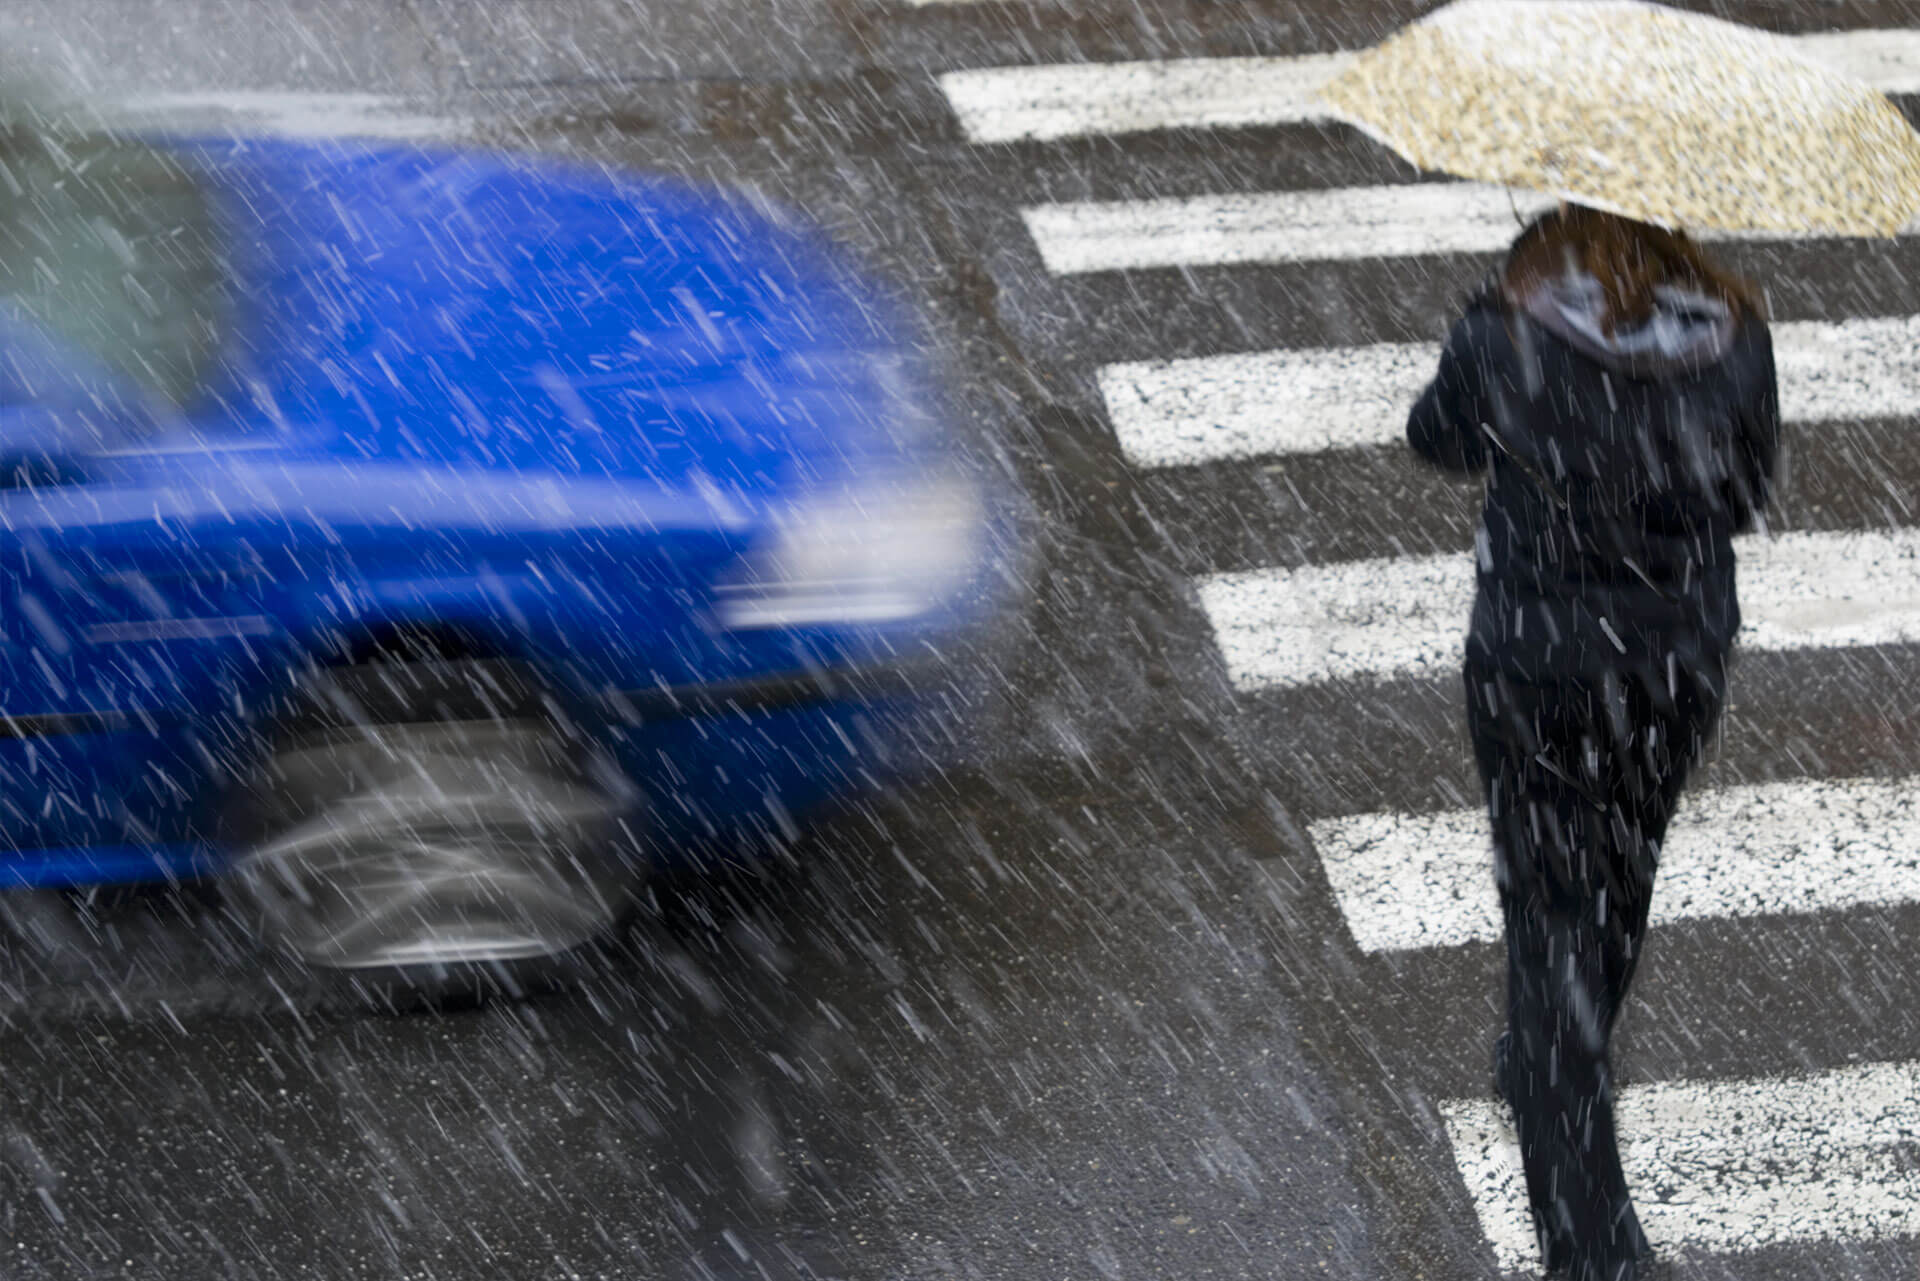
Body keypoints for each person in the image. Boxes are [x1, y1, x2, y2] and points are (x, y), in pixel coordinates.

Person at [1406, 204, 1780, 1280]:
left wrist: (1490, 330)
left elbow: (1434, 440)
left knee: (1549, 916)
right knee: (1618, 881)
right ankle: (1555, 1055)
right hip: (1672, 670)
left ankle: (1587, 1238)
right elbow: (1748, 495)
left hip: (1537, 670)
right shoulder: (1738, 334)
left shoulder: (1507, 332)